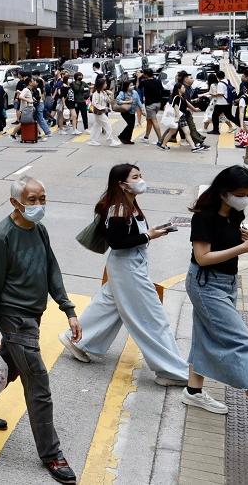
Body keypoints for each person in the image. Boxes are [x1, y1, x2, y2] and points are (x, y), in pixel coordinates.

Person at [0, 174, 79, 484]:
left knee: (11, 366)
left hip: (33, 316)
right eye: (32, 200)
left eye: (42, 199)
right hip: (13, 318)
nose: (39, 205)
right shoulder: (1, 236)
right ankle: (52, 454)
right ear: (15, 202)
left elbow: (51, 268)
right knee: (38, 383)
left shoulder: (39, 230)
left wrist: (68, 309)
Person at [58, 165, 189, 386]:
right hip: (127, 269)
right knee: (152, 318)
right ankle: (171, 370)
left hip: (128, 266)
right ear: (122, 184)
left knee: (107, 306)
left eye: (141, 175)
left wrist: (149, 234)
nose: (141, 180)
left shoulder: (128, 204)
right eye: (135, 177)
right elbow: (117, 244)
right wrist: (149, 235)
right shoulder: (118, 209)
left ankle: (78, 340)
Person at [177, 166, 248, 432]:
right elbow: (203, 258)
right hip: (205, 285)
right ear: (224, 193)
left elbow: (229, 241)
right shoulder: (204, 217)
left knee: (204, 334)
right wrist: (244, 248)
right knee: (244, 344)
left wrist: (247, 239)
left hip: (227, 283)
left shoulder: (234, 213)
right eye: (241, 194)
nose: (245, 198)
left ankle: (194, 392)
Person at [87, 78, 120, 147]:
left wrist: (111, 94)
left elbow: (109, 101)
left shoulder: (104, 92)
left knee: (97, 126)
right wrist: (104, 108)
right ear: (101, 85)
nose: (106, 85)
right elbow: (95, 104)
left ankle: (92, 140)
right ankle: (111, 141)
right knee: (107, 125)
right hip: (98, 112)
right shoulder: (96, 94)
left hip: (101, 112)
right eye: (105, 83)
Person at [138, 68, 166, 145]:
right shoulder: (158, 81)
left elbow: (138, 87)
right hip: (158, 104)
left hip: (150, 105)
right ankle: (146, 137)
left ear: (146, 75)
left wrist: (138, 78)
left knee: (154, 121)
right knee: (149, 120)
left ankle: (160, 140)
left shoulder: (145, 82)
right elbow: (162, 90)